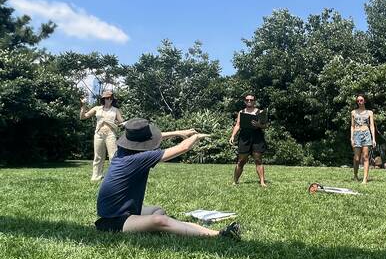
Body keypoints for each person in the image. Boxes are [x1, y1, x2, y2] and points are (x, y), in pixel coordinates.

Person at [95, 118, 241, 239]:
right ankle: (218, 234)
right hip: (113, 221)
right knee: (160, 220)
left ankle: (165, 226)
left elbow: (156, 137)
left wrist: (179, 133)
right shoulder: (138, 158)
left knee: (158, 210)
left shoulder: (123, 151)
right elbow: (182, 148)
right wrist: (196, 136)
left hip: (123, 211)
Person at [80, 90, 125, 181]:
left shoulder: (115, 110)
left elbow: (122, 122)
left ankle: (115, 177)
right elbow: (83, 117)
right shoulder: (97, 108)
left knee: (113, 156)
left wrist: (126, 124)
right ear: (103, 99)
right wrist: (83, 106)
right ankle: (96, 176)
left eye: (111, 98)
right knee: (98, 156)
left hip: (111, 134)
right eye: (107, 98)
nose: (109, 100)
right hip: (98, 134)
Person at [229, 94, 268, 186]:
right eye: (247, 100)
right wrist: (232, 136)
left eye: (251, 100)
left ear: (254, 101)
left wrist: (259, 125)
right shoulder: (241, 112)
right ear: (245, 101)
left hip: (257, 137)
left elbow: (265, 125)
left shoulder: (260, 111)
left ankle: (262, 182)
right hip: (244, 137)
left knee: (258, 159)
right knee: (241, 160)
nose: (249, 101)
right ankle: (235, 181)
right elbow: (238, 125)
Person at [351, 94, 376, 183]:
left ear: (364, 101)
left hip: (366, 134)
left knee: (365, 157)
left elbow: (372, 126)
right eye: (358, 101)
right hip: (356, 135)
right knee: (357, 158)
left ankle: (365, 179)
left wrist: (373, 139)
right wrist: (352, 138)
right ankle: (355, 175)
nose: (359, 102)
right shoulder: (353, 112)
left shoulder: (369, 112)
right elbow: (352, 126)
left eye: (361, 100)